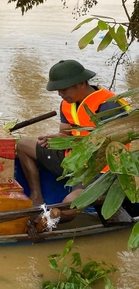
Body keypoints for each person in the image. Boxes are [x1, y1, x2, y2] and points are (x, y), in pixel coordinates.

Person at [17, 60, 128, 214]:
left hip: (97, 169)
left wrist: (77, 144)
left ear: (81, 83)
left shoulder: (109, 105)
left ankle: (50, 220)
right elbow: (66, 133)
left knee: (69, 206)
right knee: (23, 145)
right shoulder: (67, 103)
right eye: (58, 91)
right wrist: (56, 139)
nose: (60, 95)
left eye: (64, 90)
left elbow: (118, 144)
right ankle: (36, 197)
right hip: (73, 159)